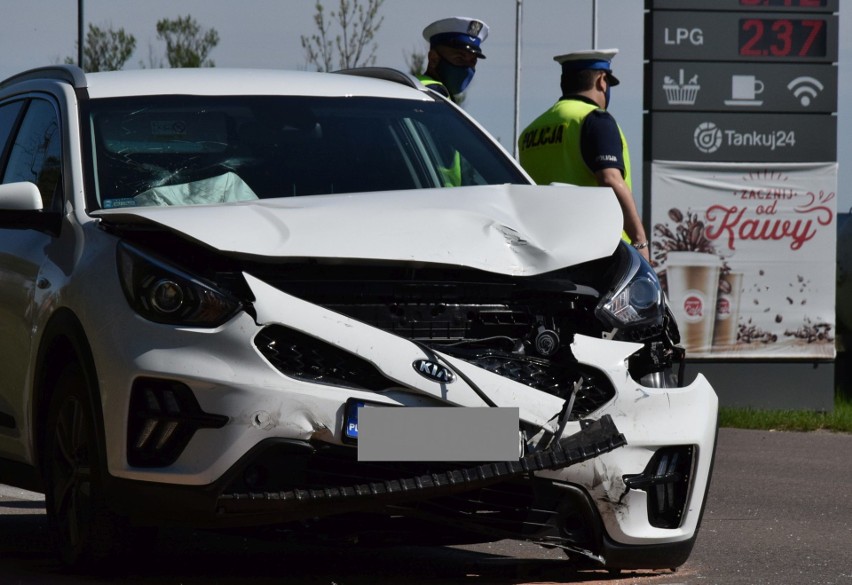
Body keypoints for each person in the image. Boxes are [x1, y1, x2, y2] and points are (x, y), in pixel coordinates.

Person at [518, 49, 650, 260]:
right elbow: (610, 179)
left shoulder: (531, 131)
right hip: (600, 251)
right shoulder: (594, 119)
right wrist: (639, 241)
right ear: (601, 80)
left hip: (544, 252)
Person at [418, 17, 489, 103]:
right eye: (459, 59)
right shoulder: (430, 94)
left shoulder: (441, 95)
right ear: (433, 59)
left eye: (472, 62)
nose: (466, 68)